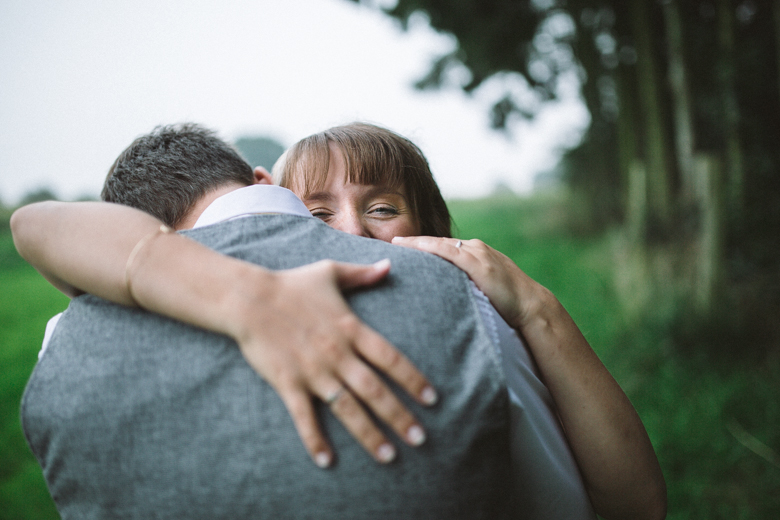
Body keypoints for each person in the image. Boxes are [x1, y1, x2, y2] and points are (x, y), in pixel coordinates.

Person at [13, 123, 666, 519]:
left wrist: (537, 307)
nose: (352, 231)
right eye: (319, 217)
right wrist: (244, 297)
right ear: (277, 204)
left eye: (382, 207)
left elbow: (632, 501)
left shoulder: (468, 300)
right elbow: (35, 224)